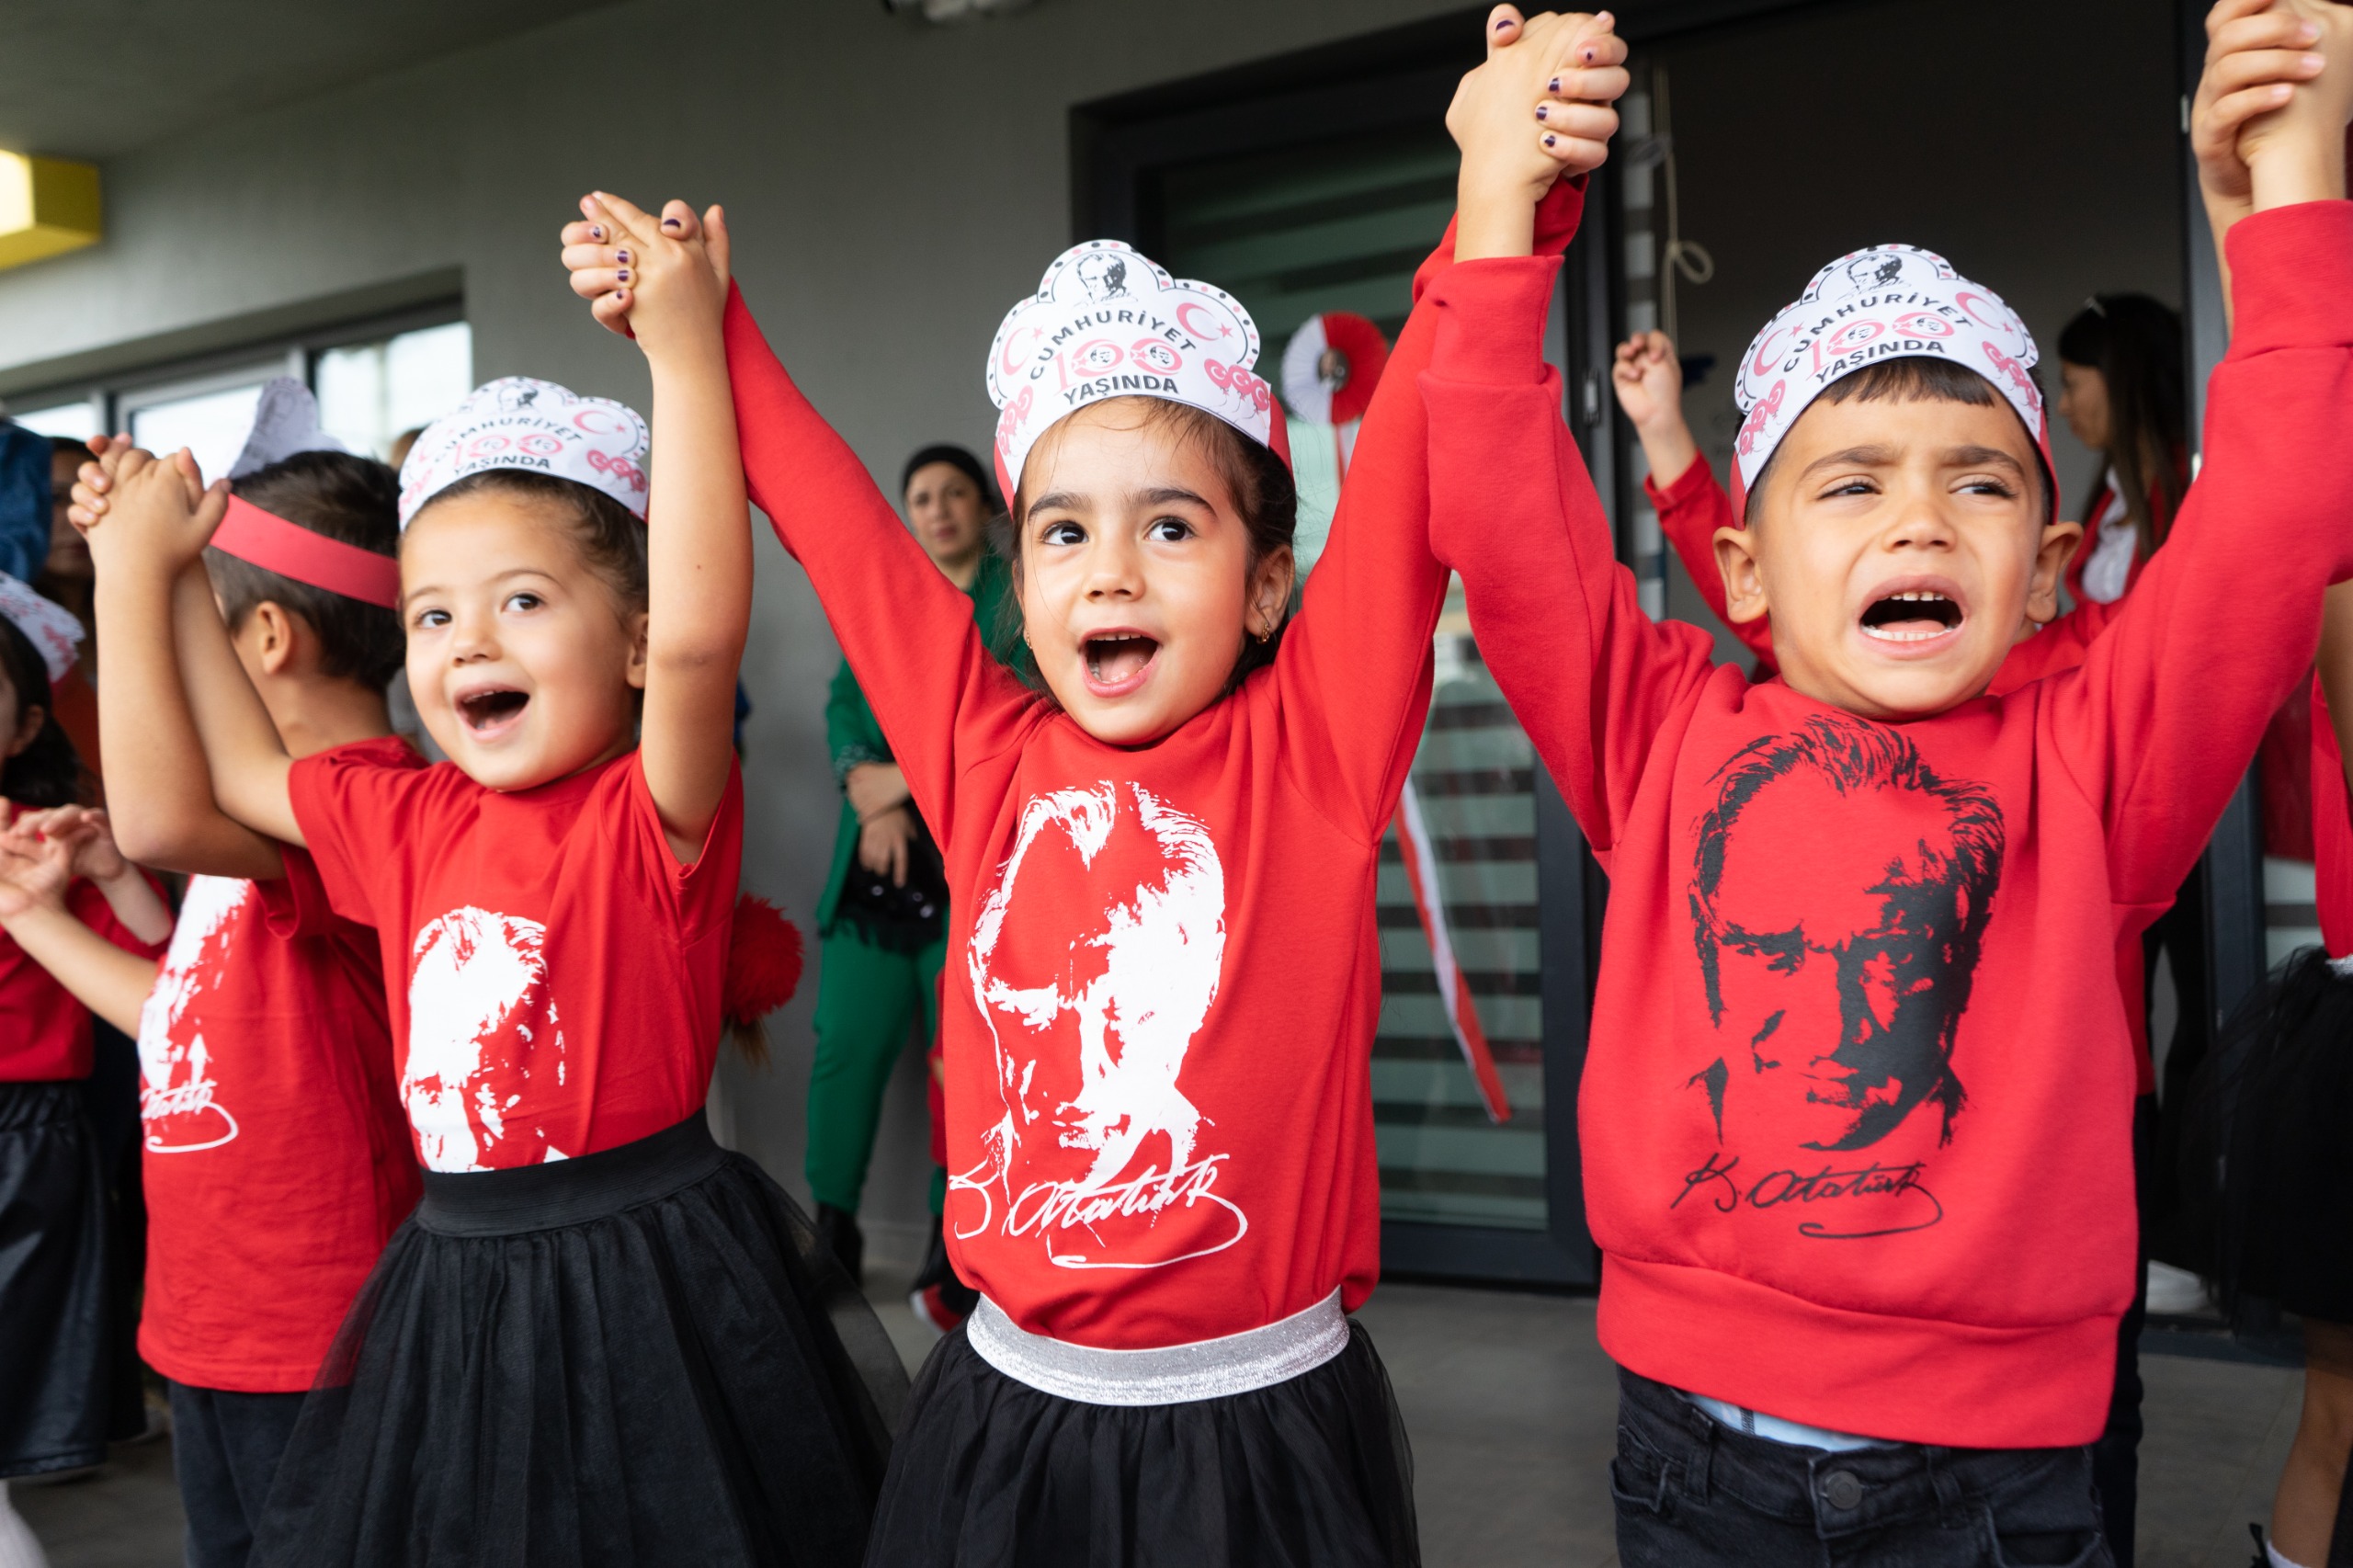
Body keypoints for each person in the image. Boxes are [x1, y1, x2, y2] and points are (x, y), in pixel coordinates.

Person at [553, 12, 1623, 1562]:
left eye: (1169, 528)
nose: (1108, 565)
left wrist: (1493, 189)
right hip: (1009, 1419)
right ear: (1016, 569)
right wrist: (704, 331)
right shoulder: (983, 749)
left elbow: (1414, 454)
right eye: (1060, 529)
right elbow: (845, 533)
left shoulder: (1315, 739)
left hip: (1264, 1428)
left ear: (1267, 586)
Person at [1415, 0, 2353, 1558]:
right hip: (1688, 1453)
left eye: (1977, 482)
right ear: (1743, 567)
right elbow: (1502, 500)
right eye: (1849, 486)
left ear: (2051, 570)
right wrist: (1502, 204)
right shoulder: (1658, 733)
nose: (1917, 522)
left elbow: (2280, 510)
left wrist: (2291, 188)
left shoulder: (2094, 764)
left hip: (1995, 1482)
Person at [76, 358, 904, 1563]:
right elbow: (243, 775)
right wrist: (169, 575)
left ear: (633, 637)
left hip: (647, 1275)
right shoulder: (406, 815)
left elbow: (697, 643)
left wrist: (680, 347)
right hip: (458, 1276)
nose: (469, 641)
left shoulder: (650, 812)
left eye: (521, 600)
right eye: (434, 614)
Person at [55, 400, 422, 1568]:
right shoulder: (252, 825)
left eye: (190, 608)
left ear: (263, 639)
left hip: (317, 1326)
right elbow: (187, 1032)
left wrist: (123, 570)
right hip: (220, 1315)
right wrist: (35, 909)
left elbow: (156, 811)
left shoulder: (358, 798)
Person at [808, 441, 1017, 1333]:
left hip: (975, 862)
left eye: (953, 493)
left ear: (984, 507)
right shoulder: (888, 593)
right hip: (881, 865)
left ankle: (954, 1246)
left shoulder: (1019, 595)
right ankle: (831, 1230)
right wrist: (873, 791)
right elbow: (843, 707)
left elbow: (1009, 715)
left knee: (963, 1065)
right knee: (842, 1048)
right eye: (920, 495)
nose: (935, 509)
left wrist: (891, 781)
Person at [0, 574, 172, 1567]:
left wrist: (110, 873)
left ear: (25, 726)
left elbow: (171, 983)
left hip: (27, 1149)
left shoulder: (50, 841)